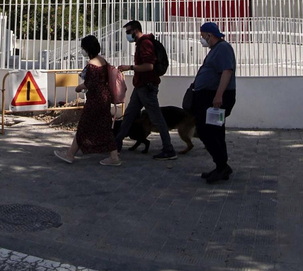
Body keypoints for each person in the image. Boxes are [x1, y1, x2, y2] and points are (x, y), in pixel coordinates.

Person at [54, 35, 122, 166]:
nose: (81, 50)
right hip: (104, 98)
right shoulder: (102, 60)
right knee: (105, 128)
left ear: (87, 48)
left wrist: (79, 87)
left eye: (83, 48)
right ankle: (114, 157)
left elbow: (91, 84)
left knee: (84, 127)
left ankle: (70, 155)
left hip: (95, 100)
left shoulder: (92, 65)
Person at [115, 20, 176, 160]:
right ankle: (117, 143)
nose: (127, 35)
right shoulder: (141, 44)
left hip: (147, 87)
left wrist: (129, 67)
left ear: (136, 30)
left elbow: (149, 66)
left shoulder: (145, 44)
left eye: (128, 32)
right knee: (129, 115)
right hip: (141, 86)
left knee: (157, 119)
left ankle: (169, 149)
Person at [186, 22, 236, 183]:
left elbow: (227, 72)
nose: (201, 39)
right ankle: (221, 166)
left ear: (210, 35)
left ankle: (222, 166)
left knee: (207, 131)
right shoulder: (216, 50)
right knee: (215, 131)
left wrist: (218, 96)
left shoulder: (223, 48)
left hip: (215, 98)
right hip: (208, 97)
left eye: (202, 36)